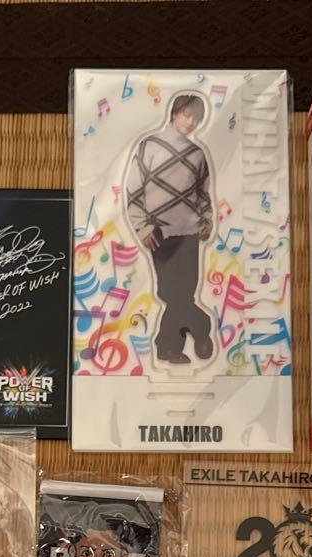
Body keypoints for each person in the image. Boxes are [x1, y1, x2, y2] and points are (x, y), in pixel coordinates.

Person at [126, 93, 214, 365]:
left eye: (195, 118)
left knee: (183, 293)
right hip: (159, 231)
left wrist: (207, 220)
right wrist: (142, 227)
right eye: (186, 115)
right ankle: (202, 326)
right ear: (174, 113)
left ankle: (167, 348)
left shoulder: (197, 154)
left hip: (190, 232)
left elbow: (203, 194)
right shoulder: (149, 146)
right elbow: (133, 191)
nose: (190, 122)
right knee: (168, 292)